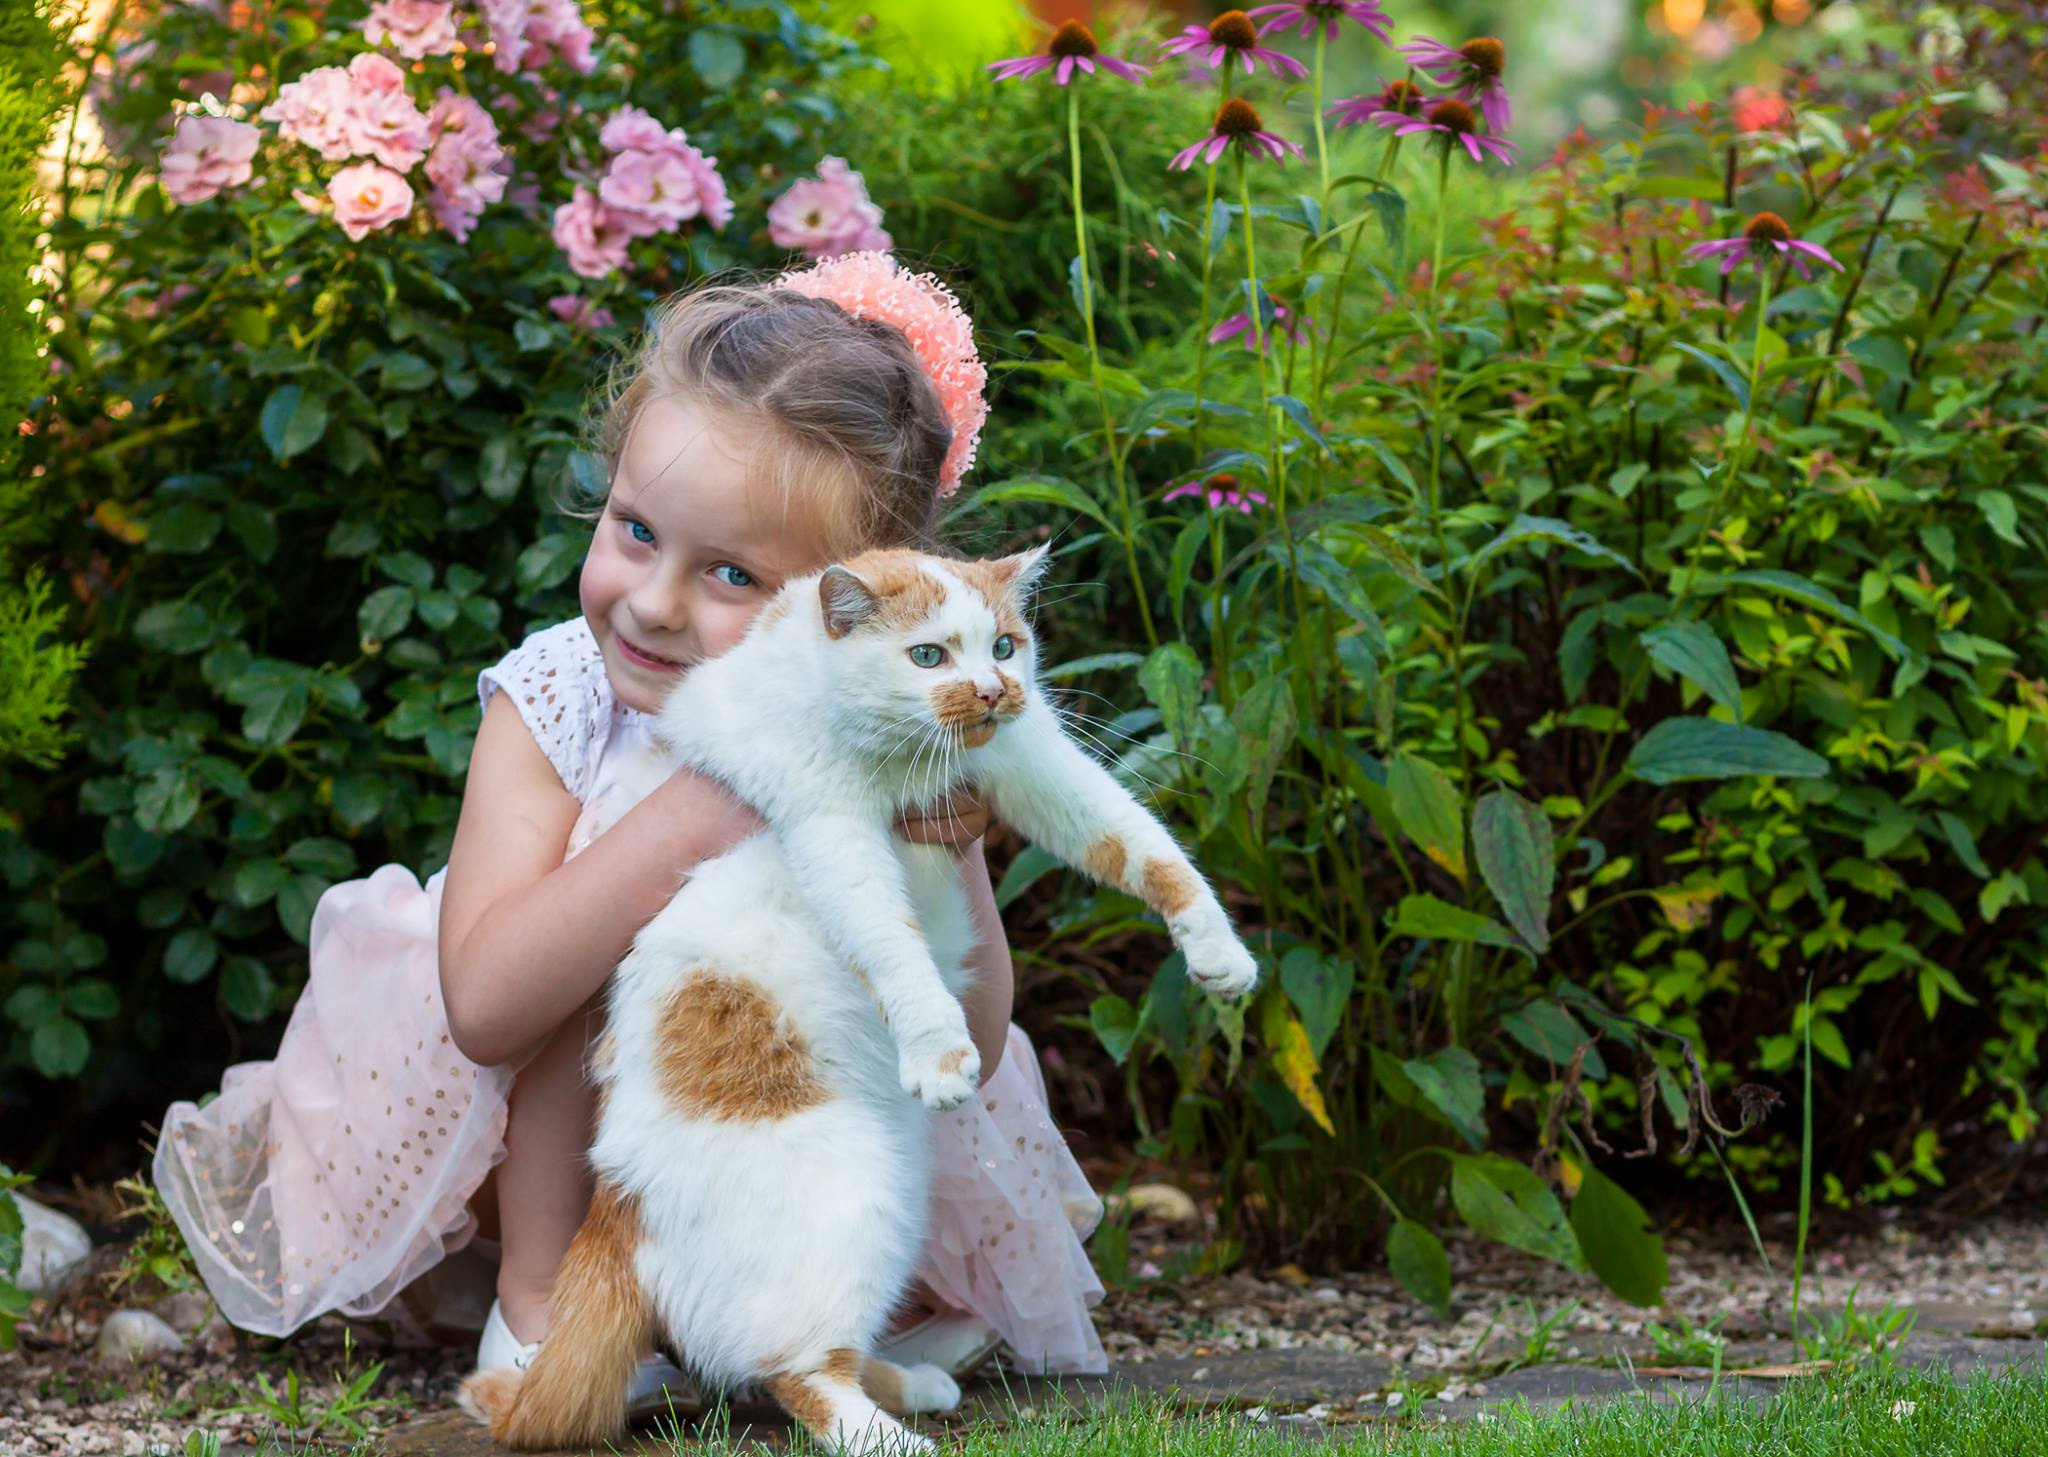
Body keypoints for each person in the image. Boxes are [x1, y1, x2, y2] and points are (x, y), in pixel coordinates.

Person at [154, 257, 1108, 1410]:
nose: (652, 601)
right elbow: (489, 1002)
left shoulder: (887, 736)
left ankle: (773, 1320)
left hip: (762, 1112)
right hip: (541, 1110)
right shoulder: (557, 693)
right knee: (633, 916)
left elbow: (974, 1039)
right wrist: (709, 806)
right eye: (635, 528)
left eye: (730, 573)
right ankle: (546, 1310)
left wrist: (946, 835)